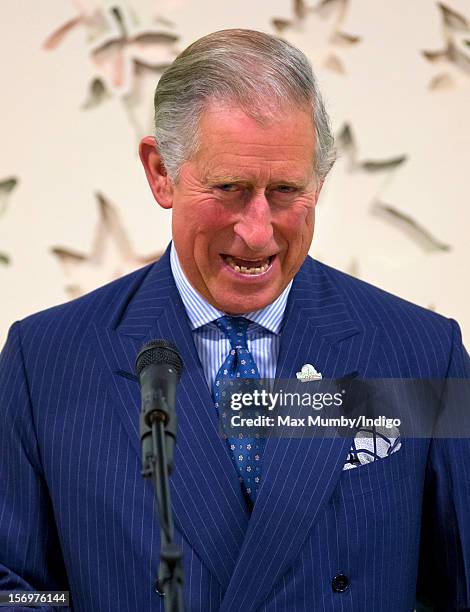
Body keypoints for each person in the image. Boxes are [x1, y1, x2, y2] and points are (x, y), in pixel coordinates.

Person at [0, 28, 469, 612]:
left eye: (285, 191)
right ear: (160, 173)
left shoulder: (422, 353)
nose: (256, 231)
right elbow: (17, 589)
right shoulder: (46, 360)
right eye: (229, 188)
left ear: (320, 181)